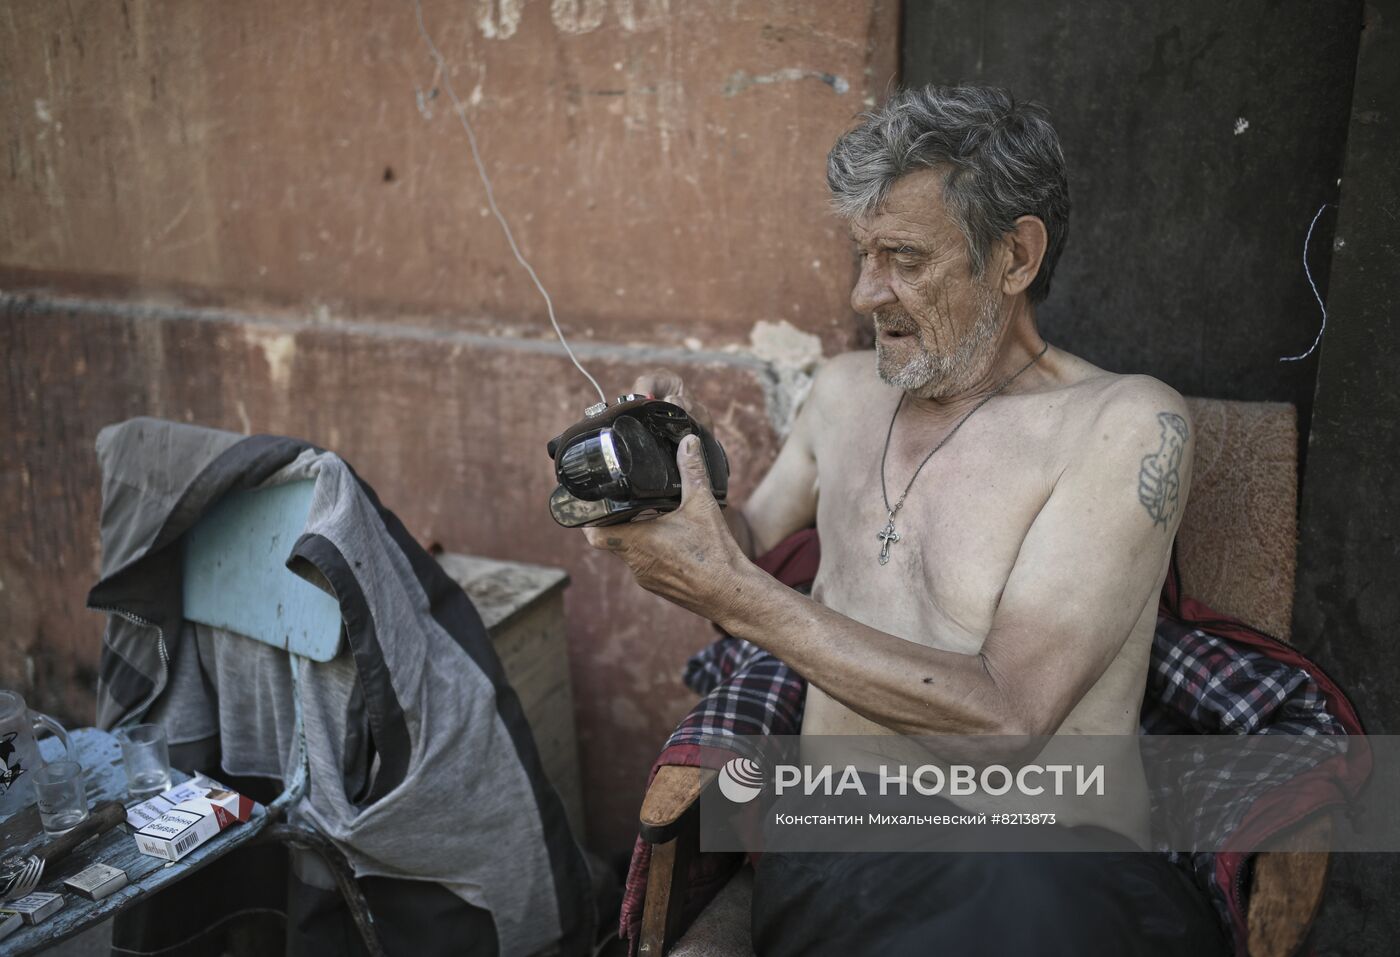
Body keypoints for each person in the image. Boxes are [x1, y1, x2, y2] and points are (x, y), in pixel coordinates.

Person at [586, 85, 1226, 956]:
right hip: (844, 851)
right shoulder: (843, 394)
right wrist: (675, 485)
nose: (862, 292)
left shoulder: (1125, 423)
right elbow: (749, 551)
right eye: (861, 253)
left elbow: (1008, 723)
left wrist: (736, 595)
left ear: (1015, 256)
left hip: (1053, 862)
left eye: (903, 257)